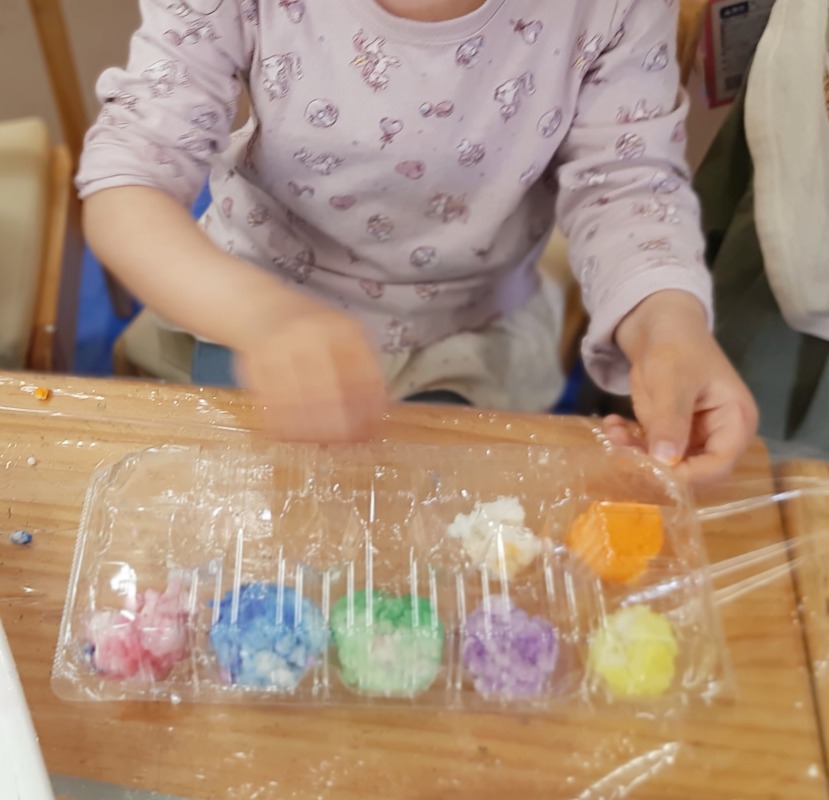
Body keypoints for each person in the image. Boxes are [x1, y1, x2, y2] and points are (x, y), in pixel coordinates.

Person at [78, 0, 758, 482]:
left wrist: (667, 324)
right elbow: (126, 183)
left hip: (466, 338)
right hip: (244, 308)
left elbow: (625, 185)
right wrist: (264, 316)